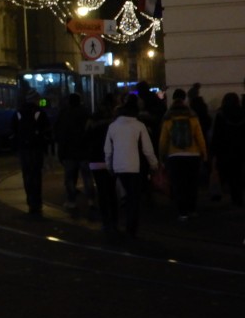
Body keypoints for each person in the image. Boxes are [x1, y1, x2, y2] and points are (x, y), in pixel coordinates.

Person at [105, 94, 159, 238]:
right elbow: (148, 149)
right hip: (135, 167)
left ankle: (124, 223)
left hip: (118, 166)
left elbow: (108, 150)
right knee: (134, 197)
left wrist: (109, 165)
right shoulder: (139, 126)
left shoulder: (113, 126)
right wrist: (154, 164)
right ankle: (131, 227)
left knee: (126, 195)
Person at [159, 88, 208, 221]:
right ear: (185, 100)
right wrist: (204, 153)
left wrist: (162, 155)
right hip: (193, 155)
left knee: (178, 184)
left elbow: (164, 139)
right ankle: (192, 209)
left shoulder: (168, 117)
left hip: (174, 156)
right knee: (192, 184)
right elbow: (199, 137)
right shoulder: (192, 116)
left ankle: (182, 212)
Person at [12, 89, 52, 218]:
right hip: (36, 148)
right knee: (36, 175)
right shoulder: (40, 113)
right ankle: (37, 202)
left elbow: (12, 129)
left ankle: (30, 201)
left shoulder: (18, 113)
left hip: (23, 148)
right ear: (36, 99)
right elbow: (46, 130)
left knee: (27, 174)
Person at [54, 93, 96, 216]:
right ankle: (91, 201)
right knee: (87, 177)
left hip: (69, 152)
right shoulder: (86, 113)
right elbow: (91, 132)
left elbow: (59, 134)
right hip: (84, 151)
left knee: (70, 178)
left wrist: (60, 152)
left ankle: (72, 201)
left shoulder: (64, 114)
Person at [84, 96, 117, 237]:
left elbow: (86, 139)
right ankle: (114, 221)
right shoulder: (114, 123)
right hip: (111, 160)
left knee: (102, 192)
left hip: (95, 160)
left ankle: (105, 221)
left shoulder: (91, 122)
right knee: (111, 191)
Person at [209, 92, 245, 206]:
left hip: (225, 151)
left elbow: (216, 135)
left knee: (230, 174)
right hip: (241, 149)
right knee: (239, 174)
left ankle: (231, 195)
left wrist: (213, 151)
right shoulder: (243, 113)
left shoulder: (221, 115)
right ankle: (238, 196)